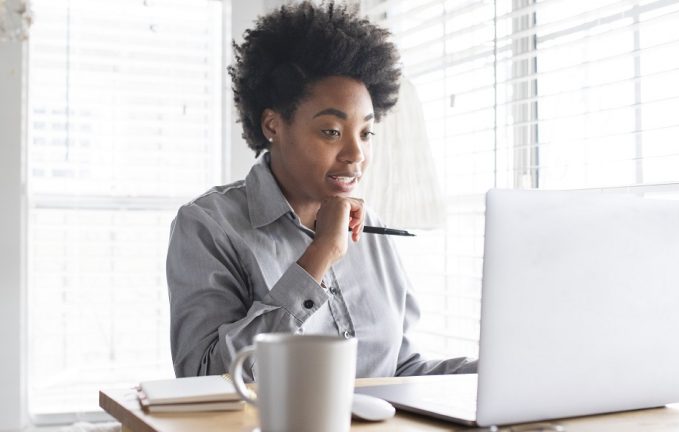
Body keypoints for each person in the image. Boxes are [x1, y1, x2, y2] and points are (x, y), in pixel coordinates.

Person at [166, 1, 477, 379]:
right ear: (273, 125)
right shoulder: (210, 226)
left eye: (366, 133)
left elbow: (400, 369)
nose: (355, 154)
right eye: (331, 131)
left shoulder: (371, 229)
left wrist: (495, 370)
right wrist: (320, 254)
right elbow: (204, 377)